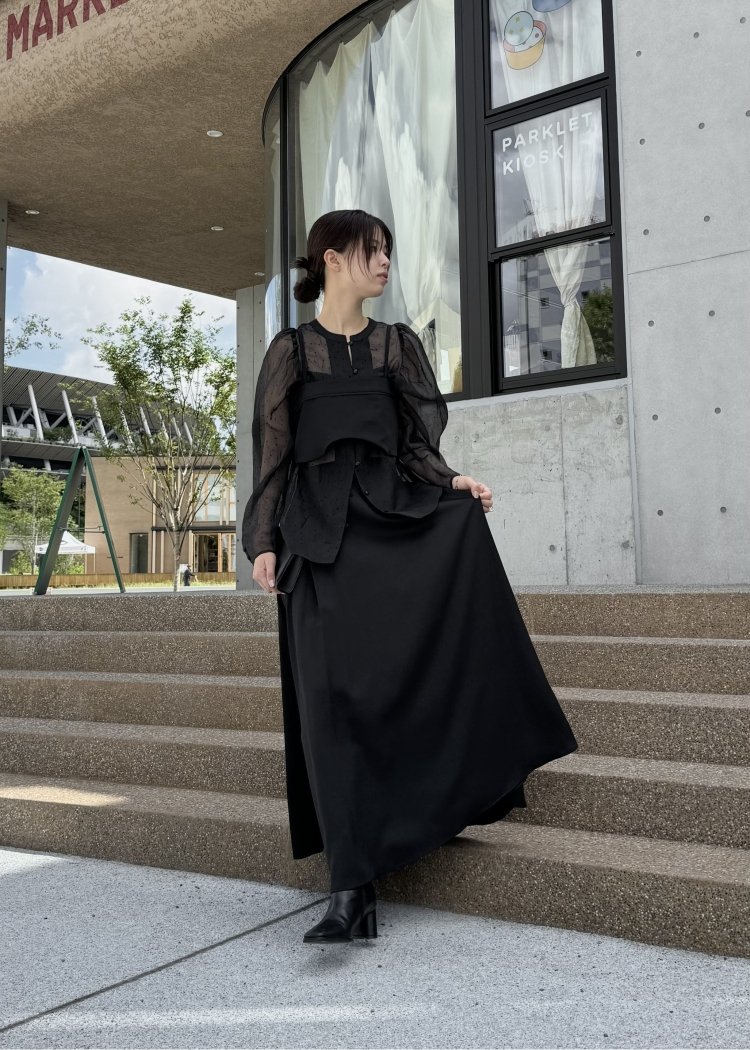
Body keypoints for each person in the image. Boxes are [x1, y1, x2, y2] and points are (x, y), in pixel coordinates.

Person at [241, 208, 578, 945]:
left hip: (390, 521)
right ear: (332, 258)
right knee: (330, 703)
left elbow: (416, 448)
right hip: (317, 538)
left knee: (404, 679)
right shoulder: (290, 350)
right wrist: (261, 540)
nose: (386, 262)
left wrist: (454, 483)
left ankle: (415, 823)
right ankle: (351, 887)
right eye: (374, 250)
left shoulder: (397, 345)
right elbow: (274, 453)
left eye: (389, 251)